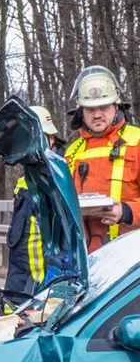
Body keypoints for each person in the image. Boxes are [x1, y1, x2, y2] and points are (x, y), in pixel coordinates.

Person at [63, 65, 140, 252]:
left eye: (103, 107)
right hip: (87, 259)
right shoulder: (72, 152)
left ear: (116, 106)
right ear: (81, 112)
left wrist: (126, 211)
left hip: (131, 260)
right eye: (90, 109)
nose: (97, 114)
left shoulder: (136, 142)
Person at [5, 106, 63, 295]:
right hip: (20, 280)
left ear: (51, 139)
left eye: (36, 136)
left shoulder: (58, 177)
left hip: (41, 288)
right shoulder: (26, 178)